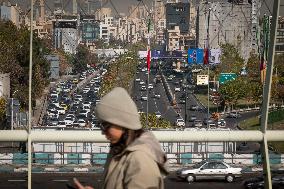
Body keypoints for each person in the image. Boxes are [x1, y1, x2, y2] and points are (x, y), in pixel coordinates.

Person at [74, 87, 168, 189]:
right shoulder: (121, 149)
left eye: (106, 126)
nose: (102, 132)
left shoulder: (140, 159)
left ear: (122, 123)